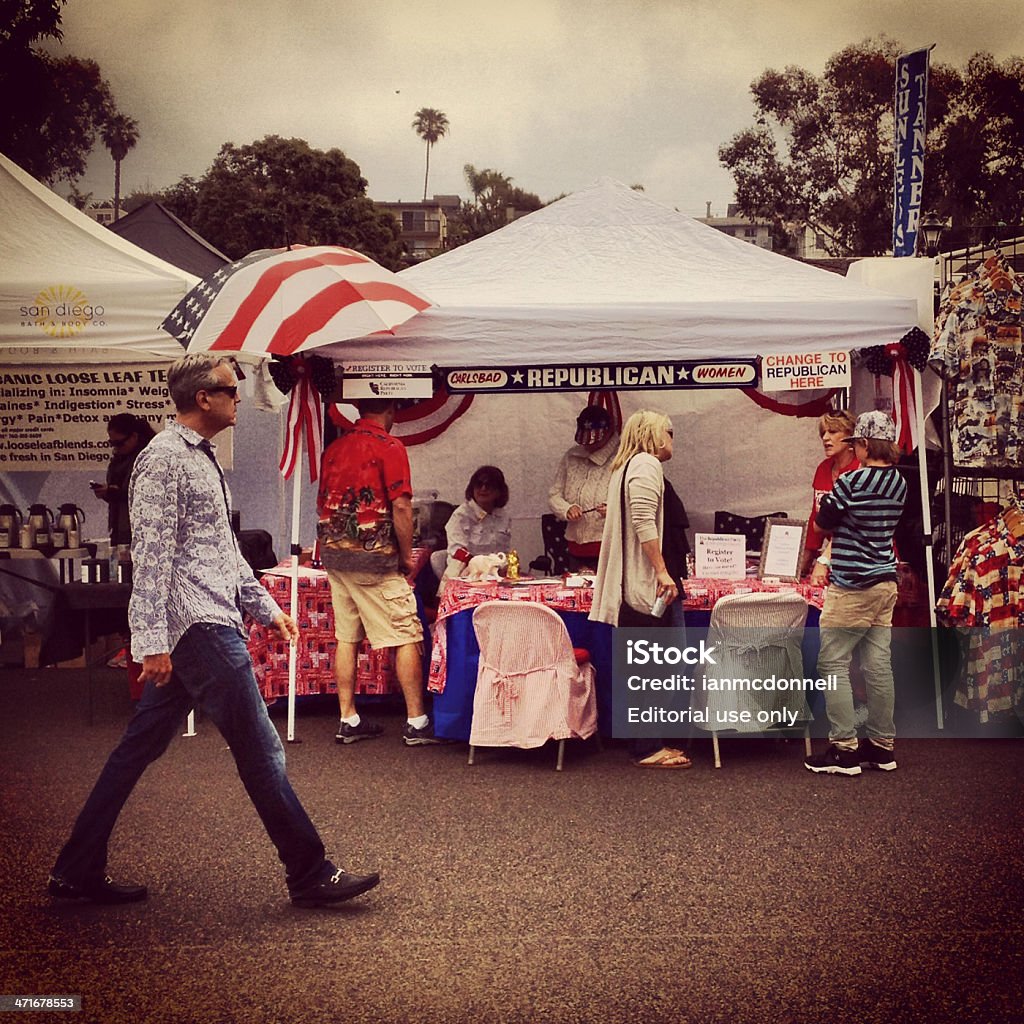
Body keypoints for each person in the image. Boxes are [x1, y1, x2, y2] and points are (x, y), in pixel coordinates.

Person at [48, 353, 379, 907]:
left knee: (137, 748)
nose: (238, 398)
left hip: (206, 616)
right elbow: (151, 556)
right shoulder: (162, 460)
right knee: (260, 748)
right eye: (231, 389)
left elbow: (220, 550)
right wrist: (149, 641)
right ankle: (309, 872)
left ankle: (76, 870)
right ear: (203, 398)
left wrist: (264, 606)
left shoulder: (201, 458)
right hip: (195, 625)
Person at [318, 397, 443, 746]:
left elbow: (322, 500)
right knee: (406, 633)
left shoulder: (335, 447)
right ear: (390, 411)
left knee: (347, 636)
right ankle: (417, 722)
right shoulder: (390, 446)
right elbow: (402, 506)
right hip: (374, 559)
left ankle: (348, 717)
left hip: (335, 555)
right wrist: (406, 555)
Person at [804, 411, 907, 777]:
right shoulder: (899, 483)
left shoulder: (850, 483)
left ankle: (844, 750)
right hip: (884, 581)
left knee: (833, 664)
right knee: (878, 666)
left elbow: (821, 522)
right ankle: (882, 747)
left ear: (863, 444)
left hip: (851, 584)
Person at [590, 410, 691, 769]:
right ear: (652, 434)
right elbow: (644, 522)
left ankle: (648, 741)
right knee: (657, 666)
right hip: (649, 586)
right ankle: (648, 747)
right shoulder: (646, 464)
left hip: (637, 584)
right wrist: (662, 572)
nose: (672, 437)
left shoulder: (625, 467)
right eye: (669, 431)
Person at [548, 406, 619, 571]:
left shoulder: (622, 457)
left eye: (595, 442)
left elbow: (634, 501)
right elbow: (554, 495)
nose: (589, 446)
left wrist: (613, 509)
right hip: (575, 546)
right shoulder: (571, 456)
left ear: (609, 433)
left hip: (609, 546)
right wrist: (567, 508)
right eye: (585, 442)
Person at [799, 410, 860, 583]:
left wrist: (823, 561)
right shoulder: (823, 468)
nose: (825, 438)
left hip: (862, 562)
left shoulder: (860, 471)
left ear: (850, 436)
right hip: (835, 558)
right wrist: (803, 562)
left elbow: (851, 527)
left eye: (832, 432)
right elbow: (816, 518)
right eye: (823, 433)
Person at [431, 465, 512, 582]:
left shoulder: (504, 516)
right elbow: (457, 553)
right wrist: (484, 567)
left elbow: (504, 552)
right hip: (466, 575)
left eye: (489, 485)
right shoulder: (461, 515)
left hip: (495, 575)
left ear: (499, 491)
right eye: (479, 484)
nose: (483, 489)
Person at [90, 413, 157, 545]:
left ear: (134, 436)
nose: (115, 447)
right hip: (120, 526)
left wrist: (114, 492)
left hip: (142, 529)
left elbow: (148, 495)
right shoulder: (119, 459)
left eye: (119, 443)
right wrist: (107, 493)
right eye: (112, 443)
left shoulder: (150, 458)